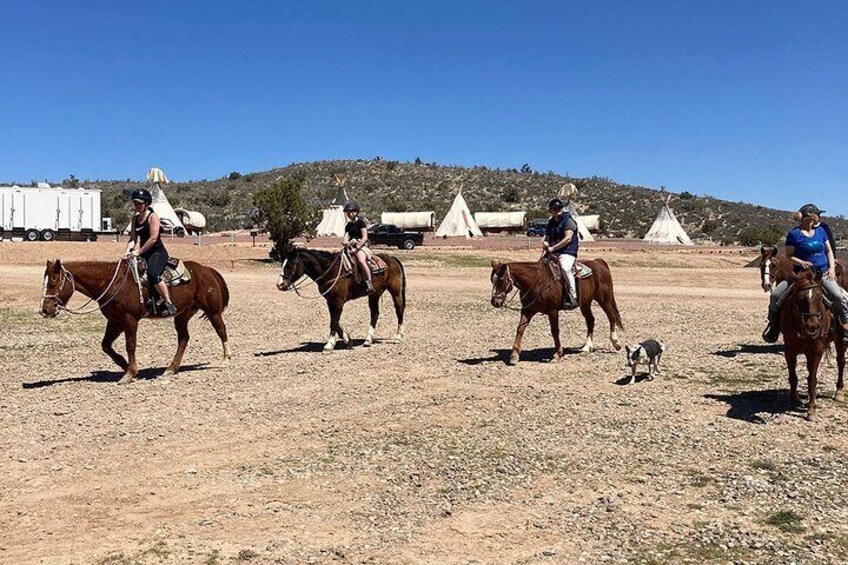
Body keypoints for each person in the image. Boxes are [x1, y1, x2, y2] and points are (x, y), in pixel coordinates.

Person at [763, 203, 848, 343]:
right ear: (809, 217)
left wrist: (832, 268)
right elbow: (789, 255)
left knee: (838, 296)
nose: (818, 218)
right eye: (816, 215)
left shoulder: (821, 231)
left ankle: (845, 326)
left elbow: (829, 251)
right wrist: (801, 263)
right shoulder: (793, 234)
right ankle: (773, 325)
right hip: (800, 275)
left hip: (823, 274)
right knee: (776, 295)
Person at [125, 189, 177, 316]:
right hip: (143, 253)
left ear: (146, 203)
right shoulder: (135, 219)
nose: (137, 206)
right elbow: (132, 238)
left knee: (153, 275)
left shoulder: (152, 217)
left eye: (139, 203)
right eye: (135, 203)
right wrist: (127, 252)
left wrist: (138, 251)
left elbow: (153, 238)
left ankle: (168, 302)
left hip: (157, 252)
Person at [543, 197, 579, 309]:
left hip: (568, 251)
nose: (556, 210)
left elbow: (568, 238)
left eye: (558, 208)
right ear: (551, 211)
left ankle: (572, 295)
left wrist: (553, 248)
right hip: (553, 250)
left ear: (561, 208)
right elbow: (547, 237)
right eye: (554, 209)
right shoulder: (551, 222)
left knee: (564, 268)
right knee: (540, 266)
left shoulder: (568, 221)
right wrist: (545, 243)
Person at [342, 201, 373, 293]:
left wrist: (357, 248)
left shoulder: (361, 223)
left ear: (355, 212)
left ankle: (369, 282)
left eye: (350, 212)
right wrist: (345, 241)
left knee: (361, 261)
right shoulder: (348, 225)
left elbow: (365, 237)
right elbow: (346, 236)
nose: (349, 214)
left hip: (361, 246)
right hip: (351, 246)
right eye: (347, 213)